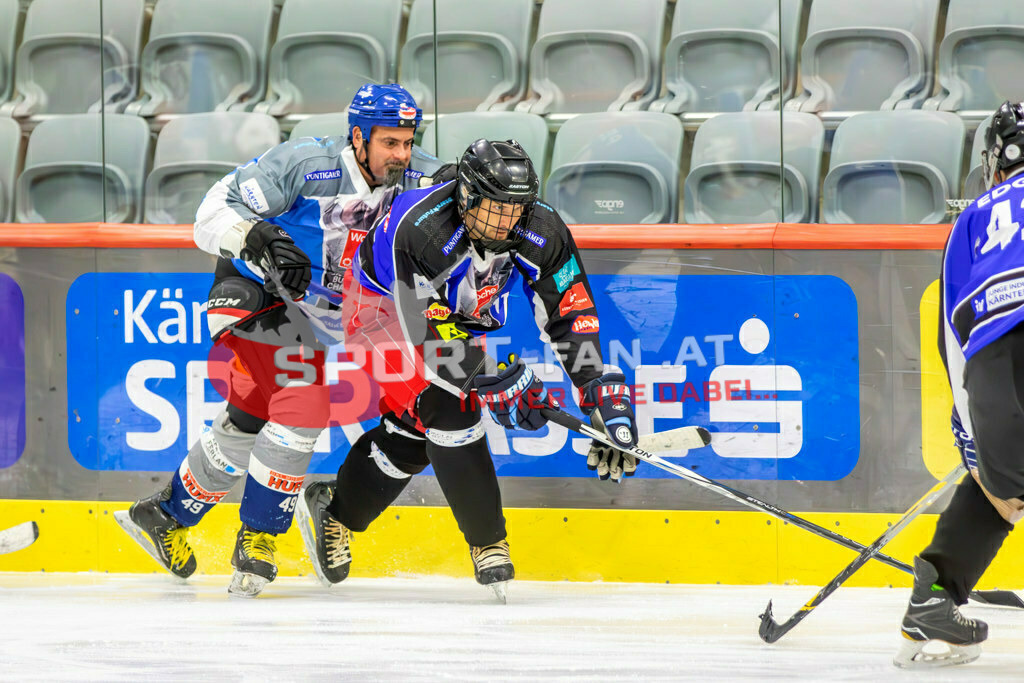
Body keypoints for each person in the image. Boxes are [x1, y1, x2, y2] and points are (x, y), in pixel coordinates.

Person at [115, 83, 451, 597]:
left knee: (252, 418)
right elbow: (211, 212)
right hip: (253, 290)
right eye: (389, 143)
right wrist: (259, 236)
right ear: (358, 137)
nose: (400, 155)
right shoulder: (305, 163)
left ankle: (164, 515)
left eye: (408, 142)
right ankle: (259, 538)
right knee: (303, 398)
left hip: (320, 315)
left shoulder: (420, 175)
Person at [294, 138, 640, 600]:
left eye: (517, 209)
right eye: (494, 209)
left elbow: (570, 313)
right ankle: (489, 542)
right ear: (466, 195)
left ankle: (335, 514)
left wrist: (599, 391)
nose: (506, 222)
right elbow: (421, 333)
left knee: (415, 434)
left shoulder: (542, 228)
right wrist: (490, 381)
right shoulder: (418, 228)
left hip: (453, 312)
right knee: (449, 406)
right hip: (379, 310)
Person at [895, 101, 1024, 667]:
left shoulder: (971, 219)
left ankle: (935, 598)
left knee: (1004, 482)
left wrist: (975, 438)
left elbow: (955, 338)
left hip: (996, 372)